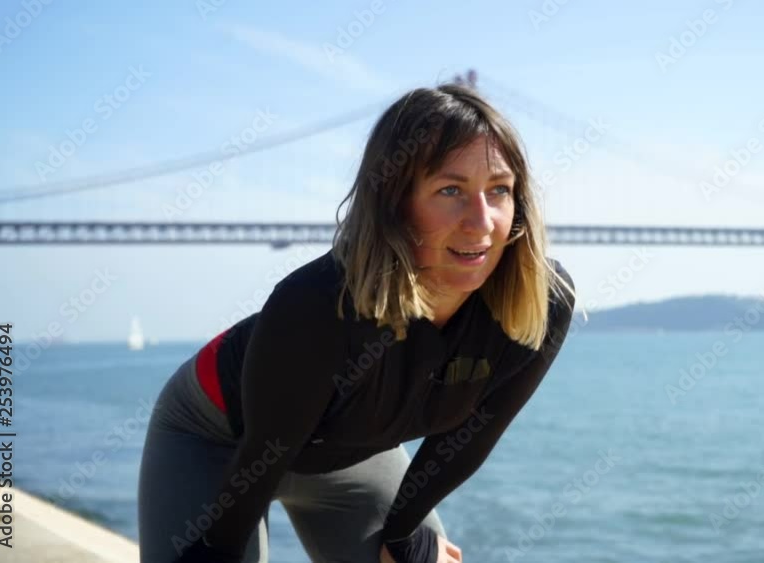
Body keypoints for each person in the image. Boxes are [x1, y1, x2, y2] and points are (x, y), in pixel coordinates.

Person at [137, 83, 577, 563]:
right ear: (395, 202)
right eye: (450, 190)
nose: (481, 221)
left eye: (499, 190)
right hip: (221, 439)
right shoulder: (316, 302)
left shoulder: (544, 300)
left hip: (353, 452)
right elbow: (265, 455)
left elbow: (470, 437)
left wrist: (403, 538)